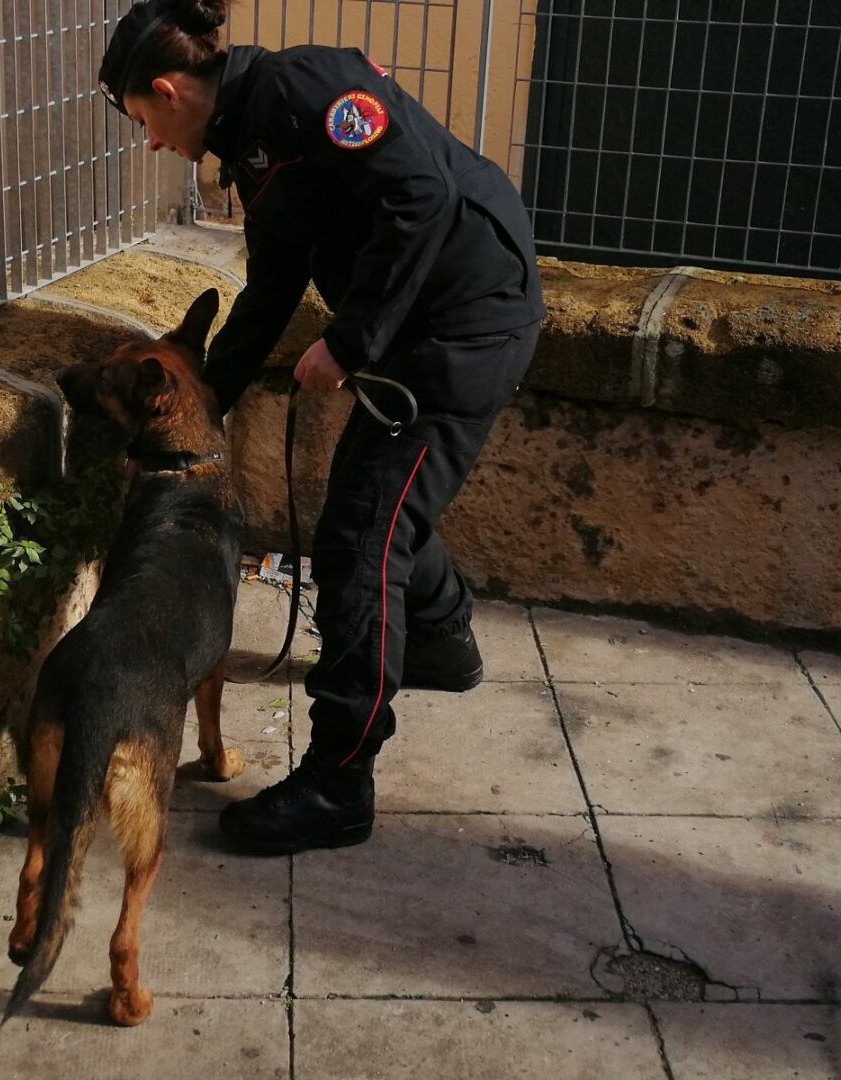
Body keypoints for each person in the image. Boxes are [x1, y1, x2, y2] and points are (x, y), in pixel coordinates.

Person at [97, 0, 545, 855]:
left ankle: (340, 783)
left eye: (144, 120)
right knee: (384, 508)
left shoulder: (309, 88)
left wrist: (351, 338)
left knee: (358, 538)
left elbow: (423, 192)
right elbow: (270, 291)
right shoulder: (253, 142)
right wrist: (205, 405)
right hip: (428, 323)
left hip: (468, 322)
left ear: (167, 89)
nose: (151, 142)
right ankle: (443, 642)